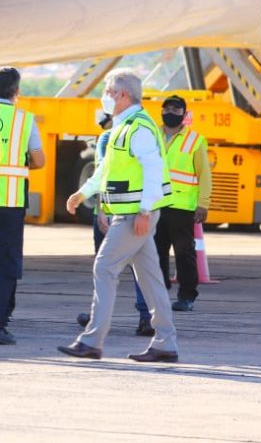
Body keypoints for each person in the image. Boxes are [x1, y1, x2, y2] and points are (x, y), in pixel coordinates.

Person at [60, 68, 179, 362]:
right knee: (151, 279)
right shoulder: (123, 127)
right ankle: (166, 343)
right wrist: (84, 192)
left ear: (123, 95)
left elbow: (153, 171)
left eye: (109, 93)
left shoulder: (137, 128)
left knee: (104, 268)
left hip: (133, 215)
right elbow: (107, 169)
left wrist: (145, 210)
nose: (105, 98)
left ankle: (92, 340)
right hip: (131, 214)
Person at [77, 107, 153, 337]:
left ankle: (98, 318)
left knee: (104, 268)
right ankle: (146, 317)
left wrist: (101, 210)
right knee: (141, 268)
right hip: (137, 211)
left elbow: (104, 173)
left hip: (114, 211)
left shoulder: (108, 138)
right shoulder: (143, 134)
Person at [0, 67, 45, 345]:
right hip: (9, 201)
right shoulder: (24, 120)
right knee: (4, 264)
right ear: (17, 91)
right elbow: (39, 160)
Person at [157, 95, 212, 311]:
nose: (171, 112)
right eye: (167, 108)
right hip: (156, 204)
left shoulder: (195, 140)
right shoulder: (152, 136)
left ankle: (187, 296)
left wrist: (203, 203)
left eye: (176, 109)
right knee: (156, 251)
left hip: (182, 206)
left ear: (184, 114)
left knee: (184, 253)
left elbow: (204, 175)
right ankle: (160, 290)